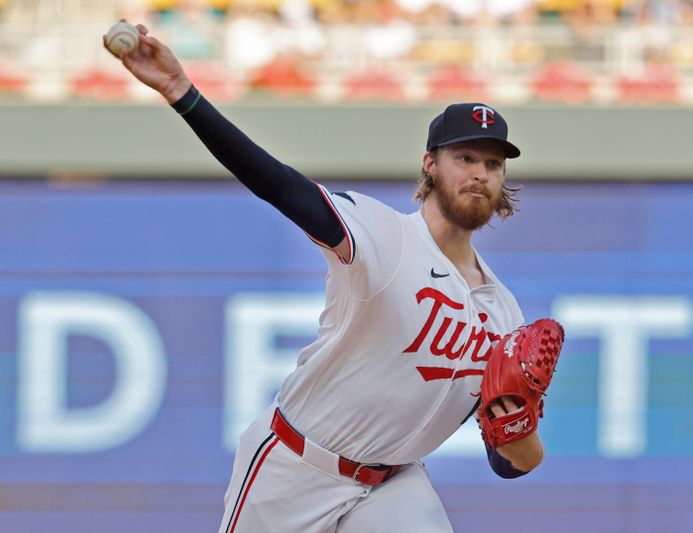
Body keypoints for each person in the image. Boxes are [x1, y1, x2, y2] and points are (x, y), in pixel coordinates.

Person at [105, 22, 547, 533]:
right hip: (296, 466)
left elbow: (511, 462)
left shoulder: (504, 313)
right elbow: (281, 186)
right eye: (464, 157)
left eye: (493, 163)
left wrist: (518, 422)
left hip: (391, 486)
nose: (480, 173)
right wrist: (183, 94)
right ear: (430, 165)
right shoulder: (383, 236)